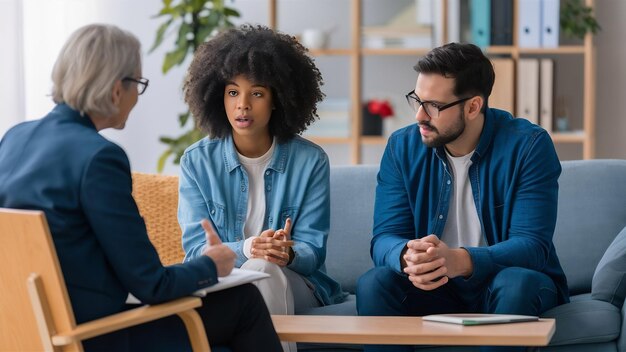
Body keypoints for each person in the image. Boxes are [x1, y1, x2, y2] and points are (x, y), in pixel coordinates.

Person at [0, 24, 281, 352]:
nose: (137, 96)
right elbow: (152, 285)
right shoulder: (99, 158)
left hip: (27, 333)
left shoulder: (13, 139)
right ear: (117, 89)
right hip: (92, 336)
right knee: (241, 301)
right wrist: (212, 265)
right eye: (138, 83)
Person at [356, 43, 569, 352]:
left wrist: (461, 261)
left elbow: (532, 246)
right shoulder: (402, 147)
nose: (419, 115)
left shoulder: (529, 146)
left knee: (516, 283)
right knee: (374, 282)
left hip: (505, 284)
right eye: (417, 100)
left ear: (472, 107)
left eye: (433, 106)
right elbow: (384, 238)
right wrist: (406, 256)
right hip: (436, 289)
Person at [179, 24, 345, 351]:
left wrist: (287, 252)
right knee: (258, 263)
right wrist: (249, 247)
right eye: (232, 92)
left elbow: (313, 253)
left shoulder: (310, 161)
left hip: (297, 281)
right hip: (225, 283)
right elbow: (195, 253)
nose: (242, 105)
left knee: (265, 267)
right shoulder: (197, 162)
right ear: (217, 97)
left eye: (256, 93)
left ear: (277, 100)